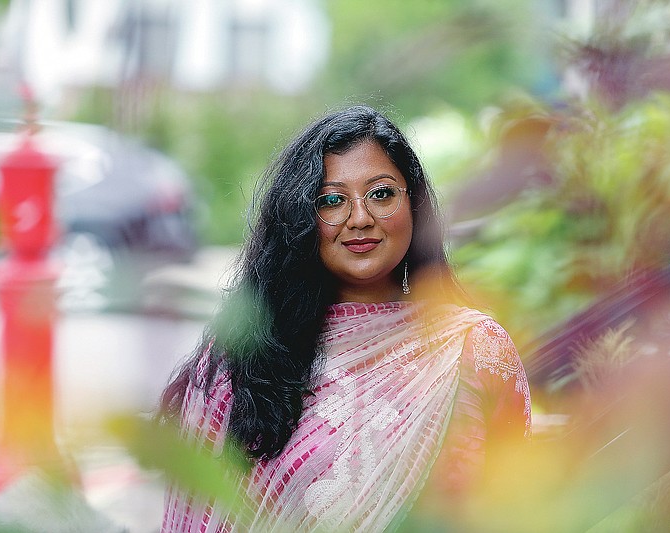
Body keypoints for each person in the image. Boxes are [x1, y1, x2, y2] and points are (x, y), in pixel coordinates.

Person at [159, 105, 531, 532]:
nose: (360, 218)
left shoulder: (473, 349)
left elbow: (512, 508)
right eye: (332, 200)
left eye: (382, 193)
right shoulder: (245, 356)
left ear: (415, 205)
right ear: (300, 219)